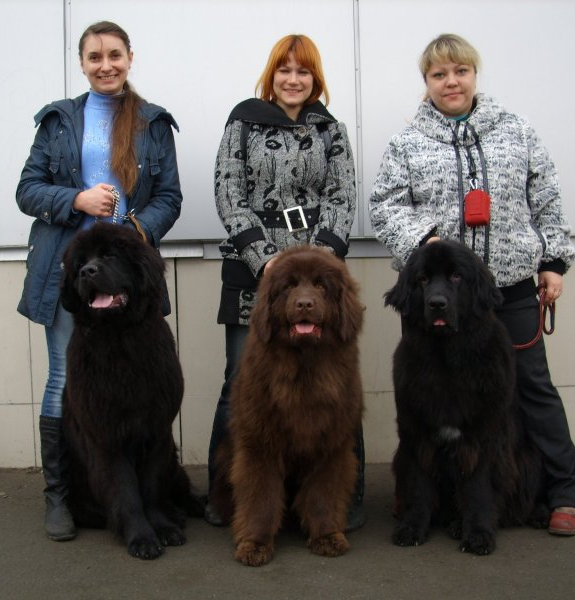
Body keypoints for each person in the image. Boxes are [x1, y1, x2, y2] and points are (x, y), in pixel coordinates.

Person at [370, 33, 575, 535]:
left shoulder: (516, 130)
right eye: (439, 74)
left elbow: (546, 197)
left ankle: (565, 495)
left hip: (504, 290)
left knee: (532, 390)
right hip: (434, 296)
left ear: (474, 74)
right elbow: (385, 206)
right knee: (427, 403)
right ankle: (429, 501)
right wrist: (424, 242)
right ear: (426, 82)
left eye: (460, 71)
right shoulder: (407, 143)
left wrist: (553, 261)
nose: (451, 82)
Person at [15, 21, 182, 542]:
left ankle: (153, 501)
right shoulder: (59, 121)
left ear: (130, 58)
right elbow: (28, 190)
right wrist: (77, 201)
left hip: (129, 275)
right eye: (94, 57)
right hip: (71, 274)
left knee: (147, 386)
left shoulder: (152, 123)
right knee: (65, 379)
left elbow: (169, 199)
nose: (105, 64)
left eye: (114, 54)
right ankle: (60, 497)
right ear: (82, 63)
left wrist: (134, 232)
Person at [206, 34, 363, 529]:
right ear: (270, 76)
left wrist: (314, 264)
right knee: (241, 379)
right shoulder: (243, 121)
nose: (293, 80)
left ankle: (341, 501)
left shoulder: (329, 129)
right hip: (255, 271)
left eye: (304, 72)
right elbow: (228, 191)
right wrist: (267, 263)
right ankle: (224, 497)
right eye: (284, 71)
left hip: (315, 276)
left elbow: (343, 194)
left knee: (337, 388)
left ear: (316, 80)